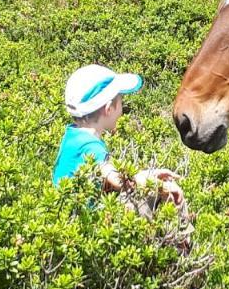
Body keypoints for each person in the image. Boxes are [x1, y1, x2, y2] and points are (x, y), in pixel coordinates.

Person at [52, 64, 184, 208]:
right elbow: (116, 179)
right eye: (121, 102)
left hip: (72, 217)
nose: (122, 110)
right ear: (109, 109)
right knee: (158, 198)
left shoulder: (74, 135)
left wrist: (147, 175)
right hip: (84, 223)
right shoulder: (90, 146)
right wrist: (162, 187)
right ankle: (182, 229)